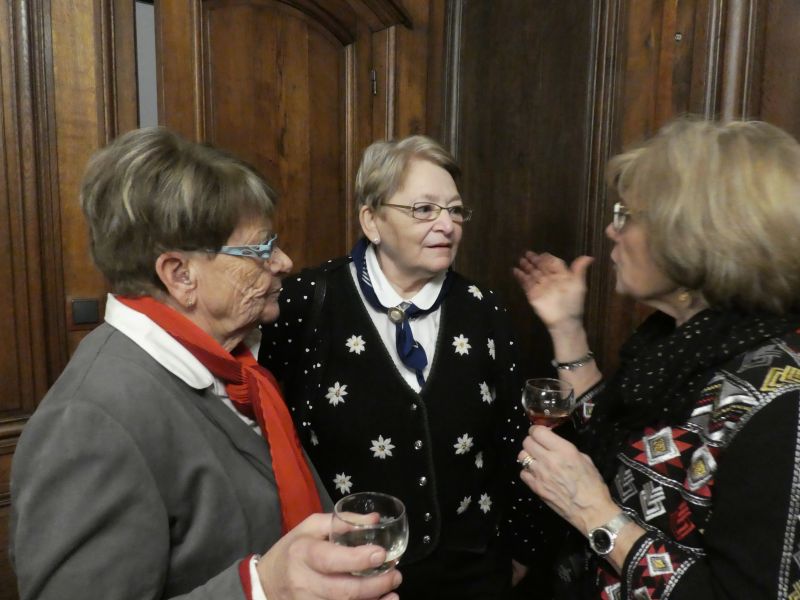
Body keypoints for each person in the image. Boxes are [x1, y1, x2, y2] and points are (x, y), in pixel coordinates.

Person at [9, 127, 402, 600]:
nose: (284, 261)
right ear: (180, 275)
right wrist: (261, 588)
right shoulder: (89, 422)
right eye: (261, 249)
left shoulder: (234, 368)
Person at [513, 117, 800, 599]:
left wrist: (592, 513)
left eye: (628, 215)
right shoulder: (677, 341)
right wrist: (566, 327)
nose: (611, 228)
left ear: (695, 236)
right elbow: (612, 436)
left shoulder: (781, 404)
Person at [259, 135, 549, 598]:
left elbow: (514, 436)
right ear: (371, 220)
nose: (447, 225)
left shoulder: (484, 308)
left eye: (455, 210)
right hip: (346, 575)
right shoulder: (307, 301)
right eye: (424, 209)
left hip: (473, 573)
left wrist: (520, 549)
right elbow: (268, 435)